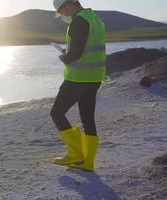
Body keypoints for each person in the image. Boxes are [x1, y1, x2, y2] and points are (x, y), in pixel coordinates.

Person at [50, 0, 106, 172]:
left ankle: (75, 154)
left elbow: (76, 53)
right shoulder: (94, 18)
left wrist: (64, 57)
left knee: (57, 113)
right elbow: (87, 47)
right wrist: (71, 53)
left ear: (67, 5)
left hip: (78, 78)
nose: (64, 15)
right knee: (87, 118)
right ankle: (87, 162)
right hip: (94, 77)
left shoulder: (78, 21)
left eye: (62, 11)